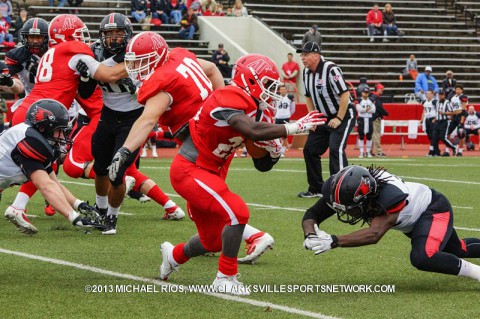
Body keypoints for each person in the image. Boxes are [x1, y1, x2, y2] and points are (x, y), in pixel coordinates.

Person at [158, 53, 325, 295]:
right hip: (189, 169)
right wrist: (293, 127)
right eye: (267, 84)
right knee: (237, 212)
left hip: (209, 173)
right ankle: (225, 277)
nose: (271, 91)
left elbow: (262, 165)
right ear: (251, 80)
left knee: (213, 241)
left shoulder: (256, 107)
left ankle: (173, 256)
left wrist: (273, 152)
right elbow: (252, 130)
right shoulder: (230, 94)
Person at [109, 32, 277, 264]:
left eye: (142, 60)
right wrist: (221, 103)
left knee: (201, 203)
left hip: (203, 142)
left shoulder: (162, 81)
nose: (137, 67)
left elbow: (147, 120)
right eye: (134, 61)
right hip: (217, 134)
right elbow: (212, 70)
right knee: (203, 203)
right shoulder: (180, 56)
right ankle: (228, 239)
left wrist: (124, 151)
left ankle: (253, 237)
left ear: (157, 57)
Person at [5, 14, 127, 225]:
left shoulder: (50, 53)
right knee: (39, 168)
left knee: (39, 168)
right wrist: (142, 61)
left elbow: (79, 90)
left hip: (28, 111)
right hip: (42, 117)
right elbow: (109, 76)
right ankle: (19, 207)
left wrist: (86, 78)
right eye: (78, 34)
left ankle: (66, 208)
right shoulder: (73, 50)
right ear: (67, 35)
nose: (82, 38)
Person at [76, 14, 185, 235]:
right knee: (100, 167)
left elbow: (155, 86)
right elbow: (85, 93)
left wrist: (135, 88)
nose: (114, 39)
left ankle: (112, 219)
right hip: (107, 115)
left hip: (133, 119)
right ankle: (101, 208)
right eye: (109, 34)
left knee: (117, 172)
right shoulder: (95, 52)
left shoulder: (138, 53)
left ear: (127, 35)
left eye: (118, 34)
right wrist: (86, 78)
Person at [302, 165, 480, 283]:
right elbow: (313, 214)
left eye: (350, 208)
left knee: (423, 257)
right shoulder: (351, 189)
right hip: (413, 219)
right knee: (458, 250)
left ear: (366, 197)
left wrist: (335, 240)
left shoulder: (390, 196)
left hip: (432, 209)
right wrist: (310, 234)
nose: (346, 213)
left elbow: (374, 234)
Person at [2, 99, 103, 235]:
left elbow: (54, 183)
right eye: (59, 131)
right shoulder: (31, 141)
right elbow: (46, 187)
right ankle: (16, 209)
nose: (62, 136)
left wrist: (78, 204)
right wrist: (75, 218)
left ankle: (16, 209)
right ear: (43, 127)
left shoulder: (34, 138)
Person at [296, 41, 356, 198]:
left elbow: (345, 94)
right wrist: (313, 119)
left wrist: (338, 118)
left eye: (306, 55)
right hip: (323, 117)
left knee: (335, 149)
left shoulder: (330, 69)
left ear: (316, 56)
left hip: (342, 114)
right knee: (310, 149)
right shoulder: (306, 73)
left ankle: (341, 190)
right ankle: (316, 188)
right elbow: (308, 96)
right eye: (301, 55)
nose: (302, 58)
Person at [430, 89, 456, 156]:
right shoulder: (437, 102)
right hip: (437, 122)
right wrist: (435, 118)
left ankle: (453, 147)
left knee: (443, 137)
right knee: (434, 138)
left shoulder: (447, 103)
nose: (440, 96)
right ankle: (437, 153)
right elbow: (437, 112)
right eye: (439, 95)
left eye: (442, 95)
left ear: (444, 95)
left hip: (444, 122)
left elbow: (452, 112)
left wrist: (444, 113)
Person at [446, 84, 468, 157]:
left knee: (461, 134)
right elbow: (453, 109)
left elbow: (463, 110)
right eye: (457, 89)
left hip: (460, 117)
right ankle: (448, 149)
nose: (458, 90)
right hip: (454, 117)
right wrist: (451, 115)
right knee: (447, 133)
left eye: (459, 89)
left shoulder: (463, 97)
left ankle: (460, 151)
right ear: (455, 90)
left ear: (462, 90)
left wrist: (462, 121)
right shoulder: (453, 98)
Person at [274, 84, 296, 153]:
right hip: (278, 117)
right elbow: (274, 108)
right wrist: (277, 114)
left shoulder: (289, 97)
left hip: (285, 118)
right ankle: (278, 149)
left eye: (284, 89)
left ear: (286, 90)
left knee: (285, 135)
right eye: (281, 89)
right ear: (279, 90)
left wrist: (288, 114)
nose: (283, 90)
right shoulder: (276, 97)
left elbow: (293, 109)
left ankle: (283, 150)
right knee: (276, 134)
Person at [356, 87, 376, 158]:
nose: (366, 94)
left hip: (369, 119)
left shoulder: (371, 100)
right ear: (362, 93)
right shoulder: (359, 100)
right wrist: (367, 109)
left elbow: (373, 110)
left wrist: (364, 110)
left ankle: (368, 152)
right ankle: (361, 152)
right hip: (361, 119)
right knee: (361, 136)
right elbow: (359, 109)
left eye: (367, 92)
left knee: (369, 136)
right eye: (364, 92)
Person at [369, 83, 388, 156]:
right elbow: (379, 108)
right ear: (377, 89)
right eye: (381, 89)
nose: (382, 90)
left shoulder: (372, 97)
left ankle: (370, 151)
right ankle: (378, 151)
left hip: (373, 118)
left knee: (373, 135)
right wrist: (386, 113)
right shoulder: (375, 97)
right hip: (376, 118)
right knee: (376, 135)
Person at [419, 90, 437, 156]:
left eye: (429, 94)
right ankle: (434, 150)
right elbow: (424, 112)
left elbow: (438, 110)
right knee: (429, 135)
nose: (428, 95)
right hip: (427, 119)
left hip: (432, 119)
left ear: (432, 94)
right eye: (427, 94)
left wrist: (436, 118)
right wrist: (421, 121)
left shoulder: (434, 101)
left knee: (433, 135)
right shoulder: (424, 102)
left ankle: (432, 151)